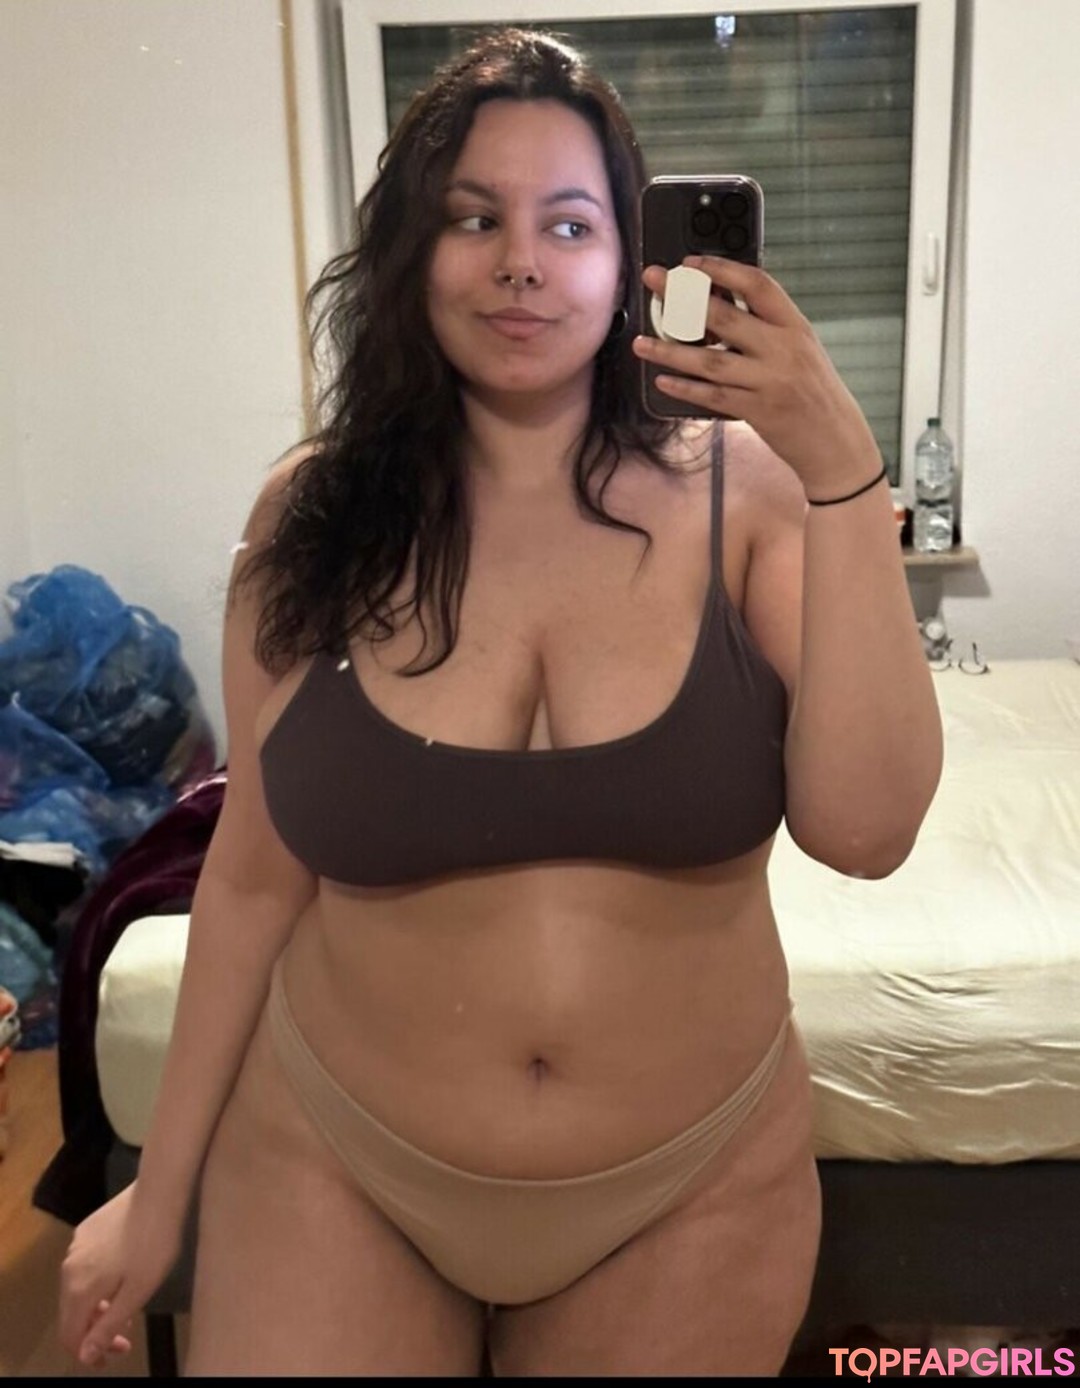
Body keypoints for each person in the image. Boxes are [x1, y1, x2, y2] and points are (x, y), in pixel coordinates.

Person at [58, 28, 942, 1376]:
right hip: (333, 1159)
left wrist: (843, 471)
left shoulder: (757, 493)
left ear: (630, 260)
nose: (522, 260)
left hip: (689, 1186)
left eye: (569, 223)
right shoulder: (312, 517)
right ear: (411, 254)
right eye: (475, 218)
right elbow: (248, 875)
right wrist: (155, 1193)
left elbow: (867, 834)